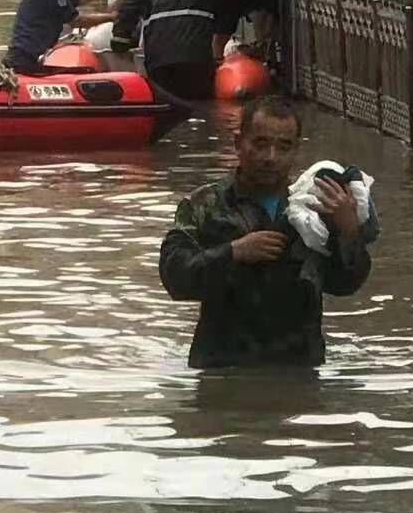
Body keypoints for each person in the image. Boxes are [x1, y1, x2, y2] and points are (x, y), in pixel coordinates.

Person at [159, 95, 371, 368]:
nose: (271, 158)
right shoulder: (205, 205)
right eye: (260, 144)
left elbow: (345, 285)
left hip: (299, 373)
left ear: (296, 151)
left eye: (284, 147)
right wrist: (233, 253)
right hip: (222, 371)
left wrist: (349, 233)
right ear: (238, 143)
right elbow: (175, 278)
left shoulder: (316, 208)